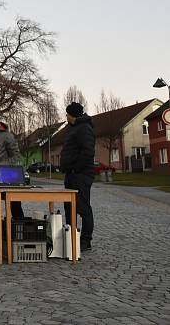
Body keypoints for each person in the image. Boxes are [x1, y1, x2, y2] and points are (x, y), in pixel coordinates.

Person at [60, 101, 95, 251]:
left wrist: (75, 169)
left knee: (83, 207)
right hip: (72, 174)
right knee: (69, 207)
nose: (66, 116)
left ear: (72, 115)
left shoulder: (84, 129)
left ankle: (86, 240)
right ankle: (71, 236)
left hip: (80, 175)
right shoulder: (75, 128)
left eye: (67, 114)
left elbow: (88, 152)